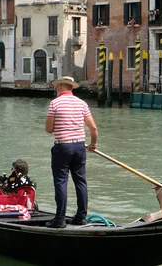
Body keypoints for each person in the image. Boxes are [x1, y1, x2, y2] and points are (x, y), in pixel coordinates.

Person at [44, 76, 98, 228]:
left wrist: (60, 123)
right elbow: (93, 128)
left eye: (57, 86)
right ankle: (81, 216)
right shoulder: (82, 103)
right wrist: (93, 144)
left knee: (61, 182)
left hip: (63, 147)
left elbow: (48, 129)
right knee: (80, 181)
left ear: (61, 86)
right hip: (80, 147)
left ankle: (59, 219)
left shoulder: (54, 103)